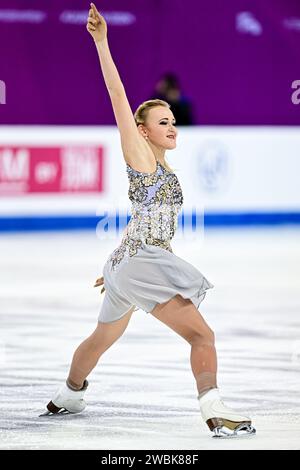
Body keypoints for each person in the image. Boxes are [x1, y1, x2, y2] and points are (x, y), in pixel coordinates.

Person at [41, 3, 256, 439]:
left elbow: (145, 219)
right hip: (140, 263)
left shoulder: (160, 166)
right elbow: (119, 99)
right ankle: (214, 409)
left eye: (173, 120)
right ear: (142, 130)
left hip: (126, 264)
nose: (173, 127)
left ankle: (68, 395)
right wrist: (102, 42)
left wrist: (117, 263)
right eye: (163, 122)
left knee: (100, 340)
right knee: (202, 336)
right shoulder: (140, 157)